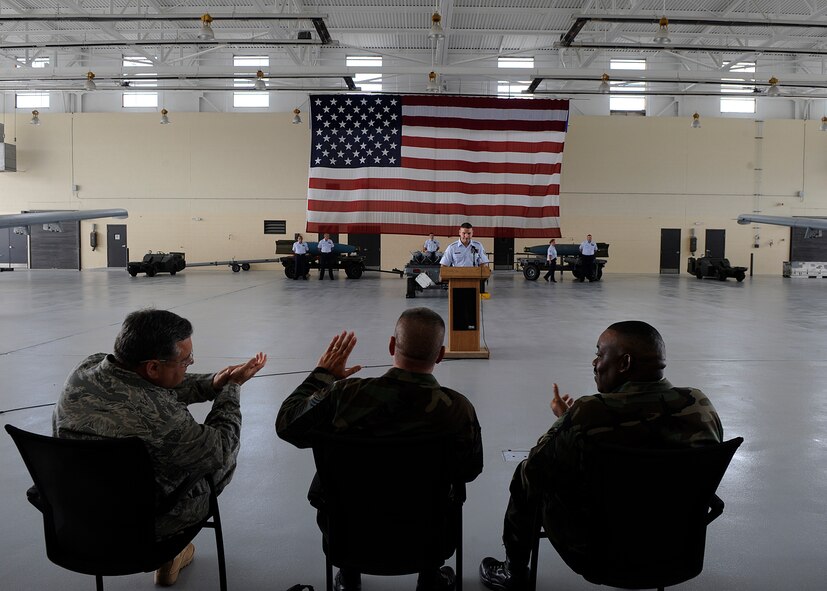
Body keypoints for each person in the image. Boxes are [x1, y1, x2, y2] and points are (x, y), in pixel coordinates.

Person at [479, 321, 723, 590]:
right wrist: (568, 420)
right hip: (674, 549)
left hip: (598, 553)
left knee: (524, 474)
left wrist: (566, 422)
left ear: (624, 363)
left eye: (599, 354)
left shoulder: (588, 414)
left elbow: (536, 469)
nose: (594, 363)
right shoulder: (701, 408)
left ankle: (513, 572)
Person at [53, 309, 267, 586]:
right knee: (221, 462)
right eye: (185, 360)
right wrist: (232, 388)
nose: (189, 363)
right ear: (153, 367)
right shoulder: (164, 418)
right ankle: (172, 553)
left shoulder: (85, 370)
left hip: (78, 520)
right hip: (143, 531)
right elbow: (220, 448)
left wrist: (212, 383)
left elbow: (149, 387)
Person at [277, 308, 483, 591]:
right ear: (440, 354)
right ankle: (429, 576)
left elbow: (287, 424)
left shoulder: (343, 396)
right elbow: (469, 471)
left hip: (349, 536)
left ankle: (349, 575)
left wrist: (322, 375)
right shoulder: (458, 409)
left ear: (391, 346)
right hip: (427, 538)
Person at [440, 222, 490, 293]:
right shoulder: (452, 247)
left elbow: (483, 264)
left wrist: (483, 271)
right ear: (459, 232)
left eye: (469, 233)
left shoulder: (478, 246)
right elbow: (444, 266)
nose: (466, 236)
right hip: (456, 283)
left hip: (474, 282)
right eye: (464, 233)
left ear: (472, 233)